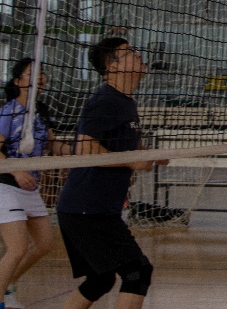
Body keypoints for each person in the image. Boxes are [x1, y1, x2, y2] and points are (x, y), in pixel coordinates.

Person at [56, 37, 169, 309]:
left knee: (100, 280)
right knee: (137, 272)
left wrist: (147, 154)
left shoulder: (124, 101)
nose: (138, 55)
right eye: (129, 52)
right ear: (113, 66)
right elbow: (84, 150)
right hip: (86, 209)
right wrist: (131, 162)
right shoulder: (105, 100)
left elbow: (122, 146)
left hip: (93, 208)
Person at [0, 58, 66, 309]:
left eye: (42, 72)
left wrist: (85, 154)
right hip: (6, 183)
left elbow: (53, 146)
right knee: (17, 248)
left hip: (30, 186)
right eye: (32, 73)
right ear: (18, 81)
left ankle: (7, 285)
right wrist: (16, 171)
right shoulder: (9, 111)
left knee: (44, 244)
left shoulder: (41, 111)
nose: (39, 76)